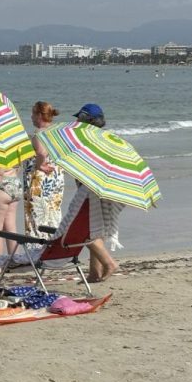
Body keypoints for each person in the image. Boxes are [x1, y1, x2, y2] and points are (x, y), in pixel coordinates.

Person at [73, 103, 118, 282]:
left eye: (79, 118)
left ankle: (109, 263)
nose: (76, 121)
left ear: (86, 120)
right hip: (102, 188)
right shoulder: (106, 138)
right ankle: (94, 273)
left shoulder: (86, 140)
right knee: (96, 230)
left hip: (90, 190)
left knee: (86, 231)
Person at [22, 101, 64, 235]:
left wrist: (39, 164)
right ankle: (53, 244)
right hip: (55, 178)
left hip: (40, 181)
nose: (31, 117)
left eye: (33, 113)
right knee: (52, 212)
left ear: (39, 115)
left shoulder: (39, 133)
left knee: (37, 215)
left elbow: (41, 152)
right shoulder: (57, 131)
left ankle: (37, 249)